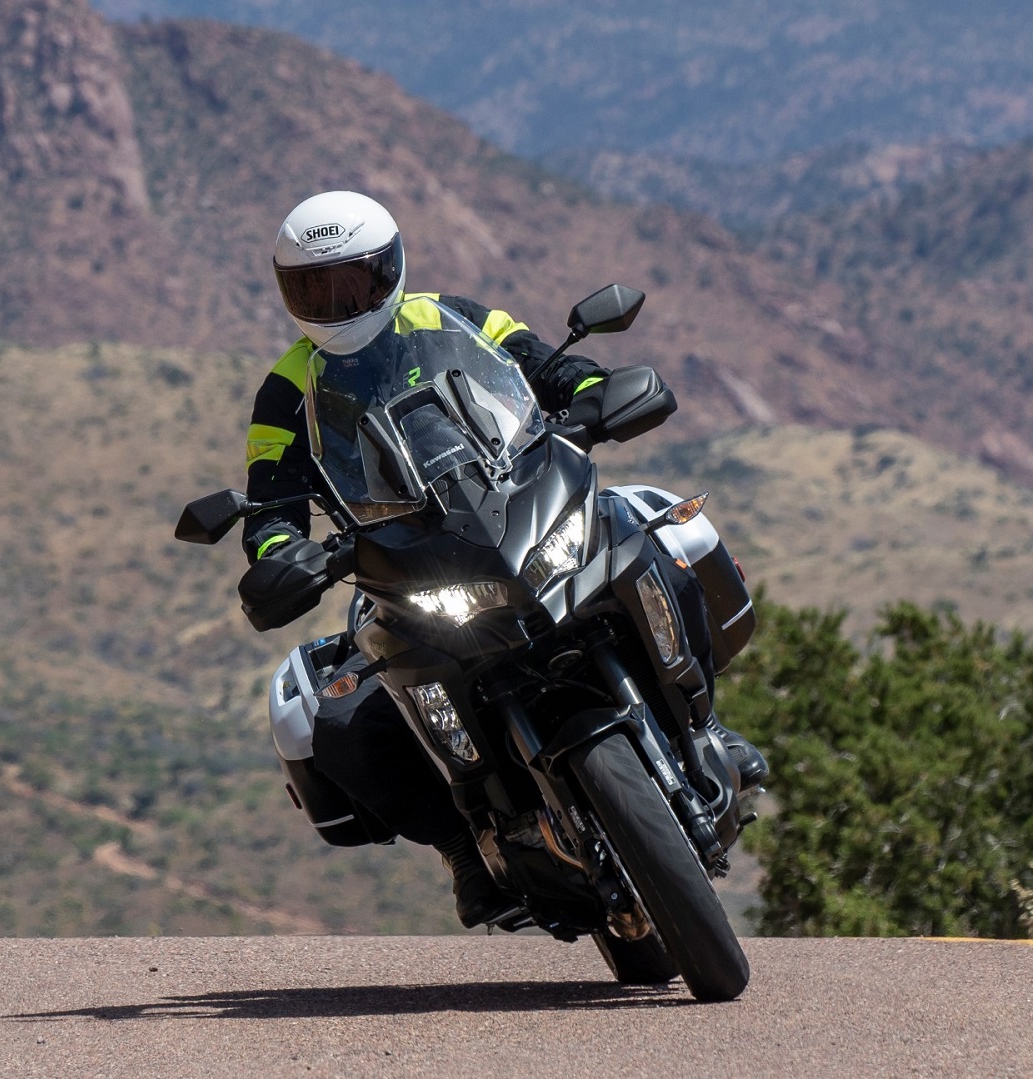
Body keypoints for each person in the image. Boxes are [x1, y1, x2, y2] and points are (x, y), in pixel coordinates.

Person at [234, 190, 764, 928]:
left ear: (389, 268)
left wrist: (587, 391)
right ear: (289, 291)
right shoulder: (286, 389)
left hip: (510, 504)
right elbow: (269, 504)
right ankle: (465, 847)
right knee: (340, 719)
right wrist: (284, 552)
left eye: (352, 280)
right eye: (316, 287)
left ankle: (701, 723)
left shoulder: (450, 316)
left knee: (652, 530)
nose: (337, 300)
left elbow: (540, 364)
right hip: (399, 557)